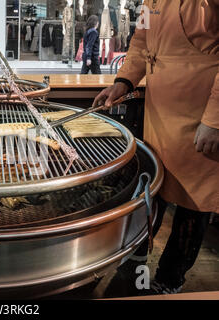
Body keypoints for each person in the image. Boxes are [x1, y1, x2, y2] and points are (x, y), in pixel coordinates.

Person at [94, 0, 218, 295]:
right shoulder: (151, 2)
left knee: (192, 204)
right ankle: (134, 263)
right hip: (161, 111)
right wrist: (123, 82)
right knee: (150, 190)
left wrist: (215, 120)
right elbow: (140, 44)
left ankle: (170, 279)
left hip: (200, 112)